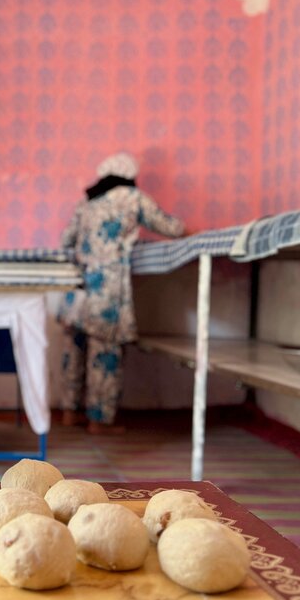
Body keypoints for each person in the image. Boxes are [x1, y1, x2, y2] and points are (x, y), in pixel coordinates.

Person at [57, 153, 185, 433]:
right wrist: (192, 232)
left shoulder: (87, 202)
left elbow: (66, 240)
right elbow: (170, 227)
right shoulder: (132, 197)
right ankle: (98, 421)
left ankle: (68, 413)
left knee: (74, 350)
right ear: (129, 176)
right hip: (107, 289)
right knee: (105, 353)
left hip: (77, 288)